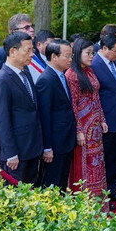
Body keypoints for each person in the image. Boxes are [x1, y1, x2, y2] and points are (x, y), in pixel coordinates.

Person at [0, 31, 44, 184]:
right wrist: (11, 153)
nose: (32, 54)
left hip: (32, 147)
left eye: (33, 50)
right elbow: (2, 120)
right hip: (16, 152)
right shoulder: (2, 80)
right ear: (13, 51)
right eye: (28, 50)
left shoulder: (25, 73)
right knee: (16, 198)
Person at [65, 38, 108, 206]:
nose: (92, 56)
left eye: (93, 53)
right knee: (84, 165)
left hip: (95, 127)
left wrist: (102, 119)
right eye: (88, 53)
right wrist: (79, 130)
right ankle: (85, 205)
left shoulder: (89, 71)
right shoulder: (72, 74)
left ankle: (99, 204)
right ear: (77, 54)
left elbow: (96, 98)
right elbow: (73, 105)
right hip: (83, 128)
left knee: (97, 164)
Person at [91, 33, 116, 202]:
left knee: (115, 157)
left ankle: (112, 188)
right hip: (105, 120)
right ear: (105, 48)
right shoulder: (94, 64)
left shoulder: (115, 62)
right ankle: (103, 194)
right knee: (104, 159)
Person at [36, 39, 76, 189]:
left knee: (62, 181)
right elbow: (44, 116)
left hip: (65, 140)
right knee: (52, 183)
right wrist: (47, 147)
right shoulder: (46, 80)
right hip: (55, 143)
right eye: (67, 56)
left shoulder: (61, 76)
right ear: (54, 56)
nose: (70, 60)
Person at [0, 14, 37, 96]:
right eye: (26, 27)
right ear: (14, 31)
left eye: (31, 26)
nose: (32, 29)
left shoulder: (35, 51)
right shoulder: (0, 54)